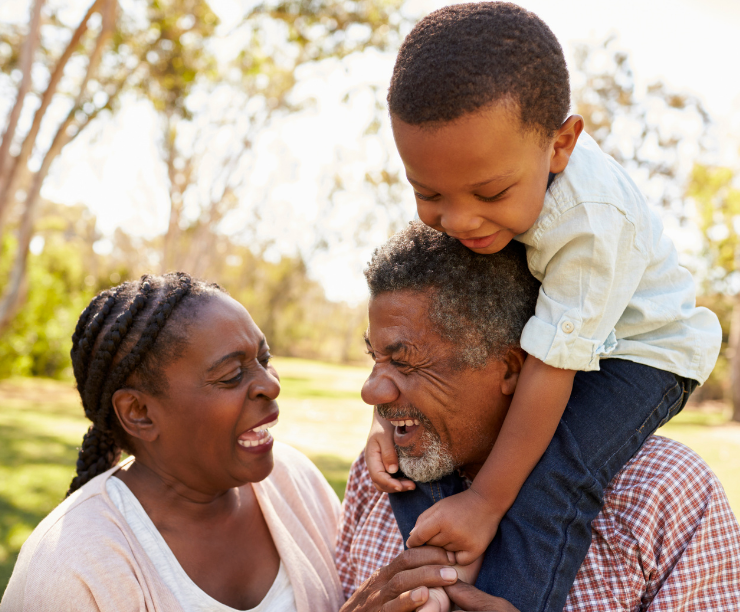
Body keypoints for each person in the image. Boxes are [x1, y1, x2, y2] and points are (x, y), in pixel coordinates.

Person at [364, 5, 723, 612]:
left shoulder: (588, 225)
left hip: (643, 352)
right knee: (425, 456)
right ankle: (440, 588)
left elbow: (549, 370)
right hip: (570, 340)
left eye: (490, 193)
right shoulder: (493, 174)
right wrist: (390, 419)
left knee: (556, 473)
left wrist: (485, 504)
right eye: (428, 193)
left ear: (561, 144)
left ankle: (509, 600)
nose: (458, 221)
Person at [340, 221, 740, 611]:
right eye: (374, 358)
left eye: (405, 362)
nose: (370, 391)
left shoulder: (663, 494)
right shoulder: (377, 474)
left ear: (513, 368)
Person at [1, 272, 460, 612]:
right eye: (231, 374)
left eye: (264, 358)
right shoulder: (71, 572)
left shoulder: (294, 481)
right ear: (138, 413)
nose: (270, 385)